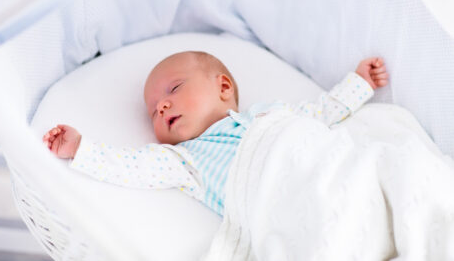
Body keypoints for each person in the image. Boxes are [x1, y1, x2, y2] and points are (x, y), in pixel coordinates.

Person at [43, 51, 389, 215]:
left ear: (222, 86)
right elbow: (131, 167)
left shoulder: (270, 114)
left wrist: (359, 83)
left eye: (174, 89)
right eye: (153, 111)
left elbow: (321, 113)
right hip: (287, 211)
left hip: (329, 174)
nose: (161, 107)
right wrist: (80, 148)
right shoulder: (186, 159)